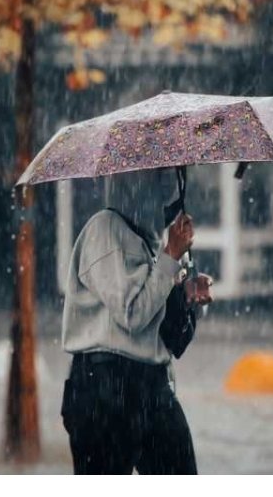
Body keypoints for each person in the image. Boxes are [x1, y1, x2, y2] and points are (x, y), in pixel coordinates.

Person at [59, 167, 213, 475]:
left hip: (153, 385)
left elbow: (166, 331)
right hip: (105, 387)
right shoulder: (104, 231)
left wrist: (188, 297)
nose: (168, 188)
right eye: (159, 175)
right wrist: (169, 258)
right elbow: (132, 314)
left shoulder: (154, 240)